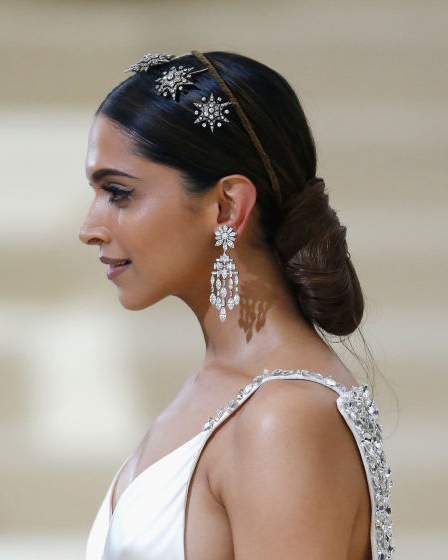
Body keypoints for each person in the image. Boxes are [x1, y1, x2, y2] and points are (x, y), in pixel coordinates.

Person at [79, 50, 394, 560]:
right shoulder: (214, 388)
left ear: (227, 206)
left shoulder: (283, 419)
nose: (88, 228)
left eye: (117, 192)